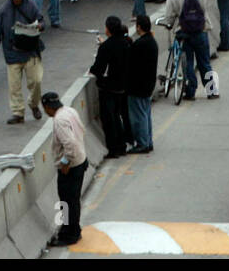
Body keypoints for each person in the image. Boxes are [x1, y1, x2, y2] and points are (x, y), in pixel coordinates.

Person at [0, 0, 44, 124]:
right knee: (14, 86)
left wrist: (39, 26)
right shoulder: (4, 10)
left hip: (30, 52)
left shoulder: (31, 6)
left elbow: (41, 20)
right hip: (12, 53)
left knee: (36, 81)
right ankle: (18, 112)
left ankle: (33, 104)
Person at [155, 0, 217, 100]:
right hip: (201, 31)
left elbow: (169, 17)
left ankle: (190, 91)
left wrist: (170, 24)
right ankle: (212, 91)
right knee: (204, 62)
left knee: (188, 62)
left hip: (183, 33)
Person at [43, 91, 88, 247]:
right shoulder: (70, 111)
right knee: (73, 200)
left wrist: (64, 163)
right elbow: (81, 132)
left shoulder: (59, 120)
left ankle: (70, 235)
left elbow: (70, 145)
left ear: (47, 107)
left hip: (72, 166)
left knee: (67, 202)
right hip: (81, 160)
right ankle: (74, 229)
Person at [90, 16, 131, 159]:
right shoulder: (125, 43)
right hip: (122, 86)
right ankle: (122, 146)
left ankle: (113, 149)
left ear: (108, 29)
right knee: (118, 117)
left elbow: (98, 68)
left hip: (108, 87)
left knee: (109, 119)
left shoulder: (107, 47)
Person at [126, 15, 157, 154]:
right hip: (148, 84)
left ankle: (142, 143)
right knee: (145, 114)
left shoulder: (140, 44)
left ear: (139, 27)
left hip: (137, 86)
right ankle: (148, 141)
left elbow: (130, 60)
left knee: (138, 116)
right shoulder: (152, 42)